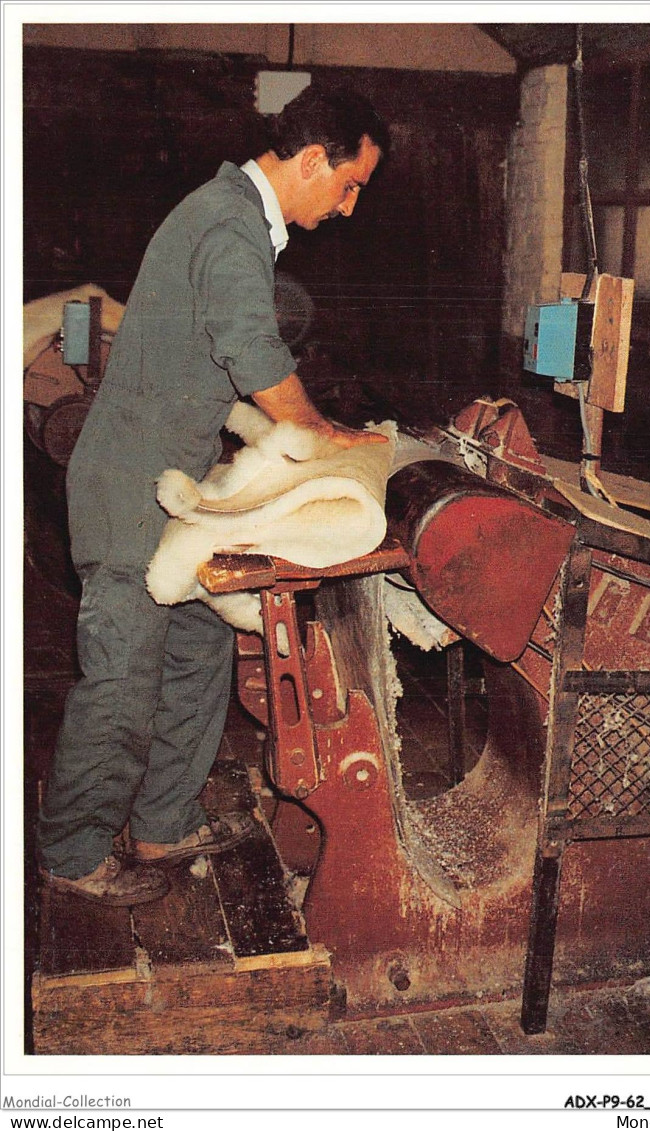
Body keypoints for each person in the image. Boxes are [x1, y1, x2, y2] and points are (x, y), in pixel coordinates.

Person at [36, 83, 391, 905]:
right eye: (348, 185)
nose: (345, 208)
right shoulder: (229, 223)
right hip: (130, 486)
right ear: (311, 161)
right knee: (124, 672)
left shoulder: (231, 217)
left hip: (175, 486)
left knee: (197, 643)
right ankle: (74, 849)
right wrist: (324, 437)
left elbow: (220, 361)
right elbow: (252, 352)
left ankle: (164, 818)